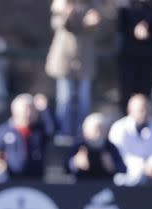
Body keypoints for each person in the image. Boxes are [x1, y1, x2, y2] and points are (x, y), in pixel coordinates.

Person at [45, 0, 103, 137]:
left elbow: (99, 29)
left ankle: (81, 135)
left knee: (84, 99)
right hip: (64, 58)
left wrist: (92, 23)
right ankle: (63, 134)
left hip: (85, 59)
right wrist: (66, 15)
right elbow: (56, 24)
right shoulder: (62, 3)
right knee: (65, 99)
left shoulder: (93, 5)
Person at [0, 94, 55, 182]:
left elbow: (51, 130)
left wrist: (45, 110)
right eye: (25, 110)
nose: (29, 114)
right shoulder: (4, 130)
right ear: (15, 111)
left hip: (36, 180)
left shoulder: (39, 130)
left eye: (32, 110)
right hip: (10, 180)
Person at [108, 94, 152, 185]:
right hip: (125, 172)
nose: (145, 113)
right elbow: (119, 156)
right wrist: (142, 166)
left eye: (148, 109)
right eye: (141, 110)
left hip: (150, 171)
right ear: (130, 110)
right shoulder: (118, 128)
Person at [117, 0, 152, 114]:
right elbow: (120, 28)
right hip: (128, 60)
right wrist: (134, 31)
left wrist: (147, 34)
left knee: (145, 95)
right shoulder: (125, 7)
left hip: (147, 60)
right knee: (126, 96)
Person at [66, 113, 127, 180]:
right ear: (86, 131)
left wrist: (112, 166)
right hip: (81, 186)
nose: (99, 134)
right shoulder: (79, 146)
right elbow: (66, 167)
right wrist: (75, 163)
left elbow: (123, 169)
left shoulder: (110, 147)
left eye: (102, 130)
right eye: (96, 130)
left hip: (105, 186)